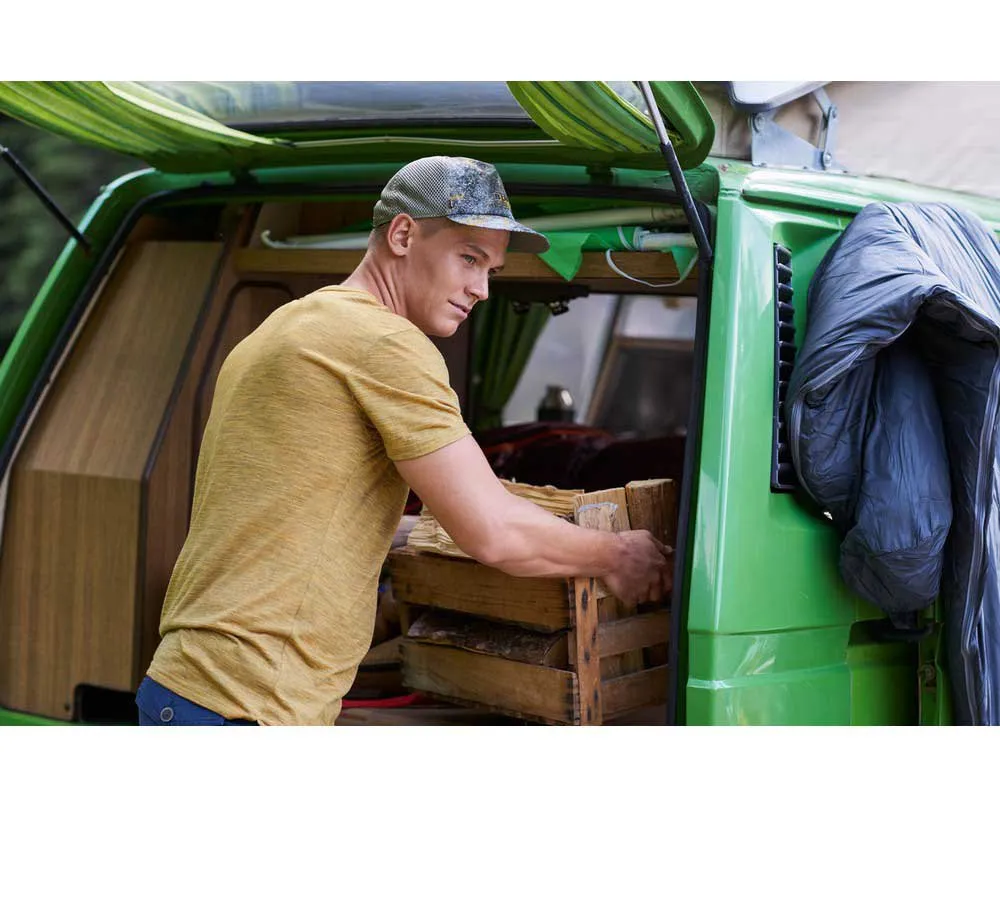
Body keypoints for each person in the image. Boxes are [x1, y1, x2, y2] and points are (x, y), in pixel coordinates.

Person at [135, 155, 672, 726]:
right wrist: (616, 554)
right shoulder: (384, 342)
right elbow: (494, 533)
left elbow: (300, 506)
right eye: (469, 258)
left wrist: (419, 533)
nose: (482, 289)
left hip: (189, 683)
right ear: (402, 234)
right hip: (248, 703)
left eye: (491, 270)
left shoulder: (287, 325)